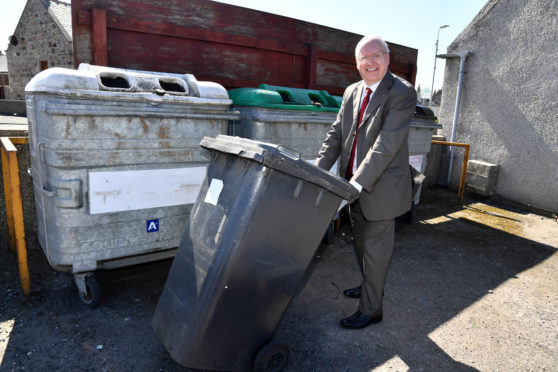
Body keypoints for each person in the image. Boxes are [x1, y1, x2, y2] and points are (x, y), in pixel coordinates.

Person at [315, 36, 416, 329]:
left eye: (376, 55)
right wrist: (316, 171)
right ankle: (370, 284)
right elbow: (336, 135)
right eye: (364, 57)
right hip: (353, 186)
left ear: (388, 58)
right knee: (360, 245)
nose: (370, 62)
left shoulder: (401, 92)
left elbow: (386, 144)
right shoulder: (351, 92)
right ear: (357, 62)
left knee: (374, 248)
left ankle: (372, 309)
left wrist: (357, 184)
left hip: (379, 187)